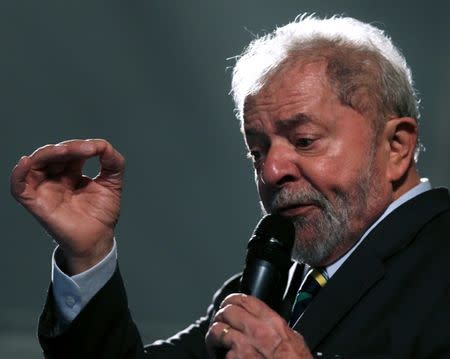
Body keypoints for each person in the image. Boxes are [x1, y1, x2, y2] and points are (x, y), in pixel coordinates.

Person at [10, 14, 450, 359]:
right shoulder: (259, 291)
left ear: (396, 146)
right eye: (257, 150)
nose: (272, 170)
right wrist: (88, 254)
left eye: (304, 140)